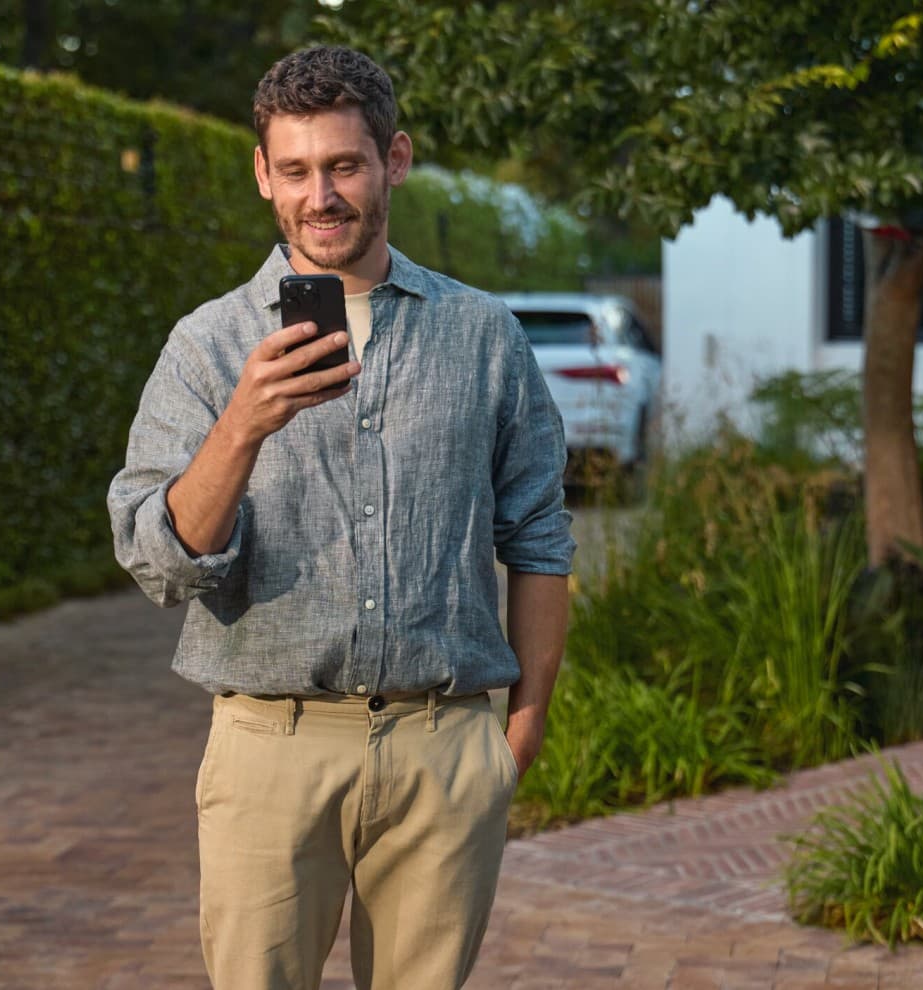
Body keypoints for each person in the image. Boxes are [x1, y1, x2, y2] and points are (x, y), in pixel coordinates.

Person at [106, 45, 574, 990]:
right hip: (268, 755)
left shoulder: (483, 335)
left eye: (344, 165)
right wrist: (241, 426)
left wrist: (519, 734)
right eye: (295, 170)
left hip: (444, 750)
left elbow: (538, 538)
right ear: (262, 175)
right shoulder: (207, 347)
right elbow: (157, 561)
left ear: (393, 159)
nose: (320, 196)